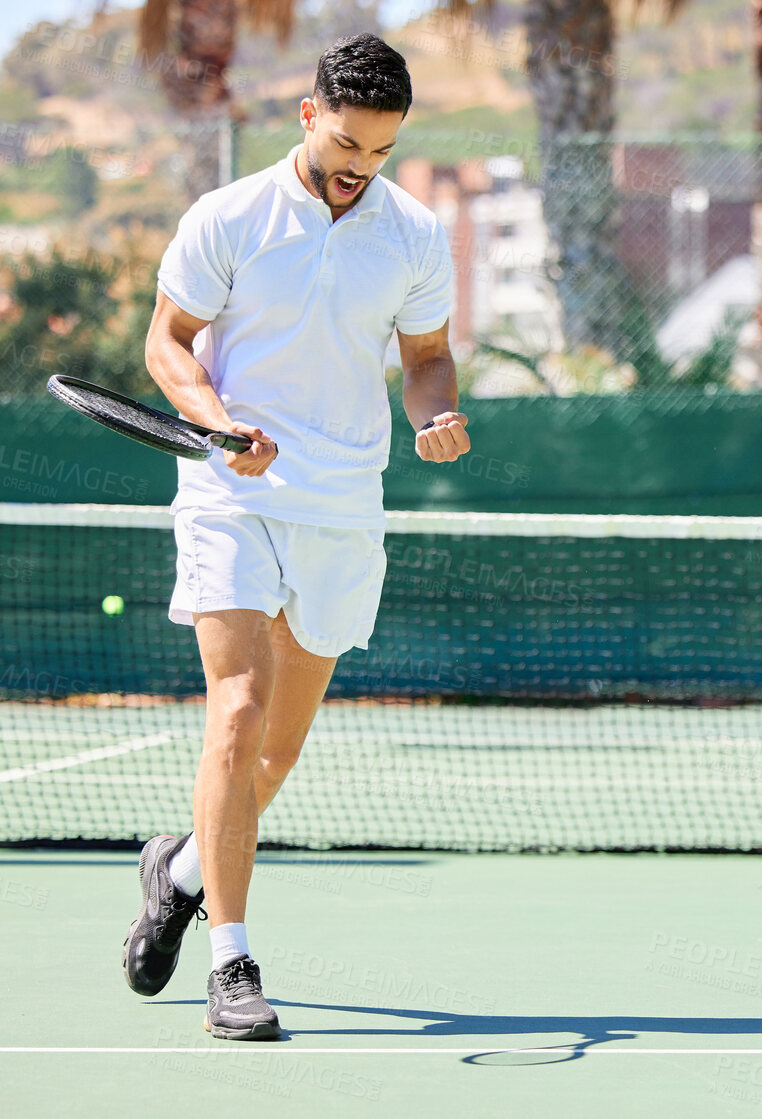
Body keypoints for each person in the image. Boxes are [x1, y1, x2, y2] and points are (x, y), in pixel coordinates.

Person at [120, 34, 470, 1041]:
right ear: (308, 114)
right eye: (346, 145)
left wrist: (431, 414)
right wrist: (219, 420)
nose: (359, 168)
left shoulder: (410, 234)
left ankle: (180, 867)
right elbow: (168, 343)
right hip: (230, 494)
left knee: (275, 754)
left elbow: (430, 357)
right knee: (234, 714)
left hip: (342, 503)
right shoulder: (226, 217)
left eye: (381, 152)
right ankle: (232, 964)